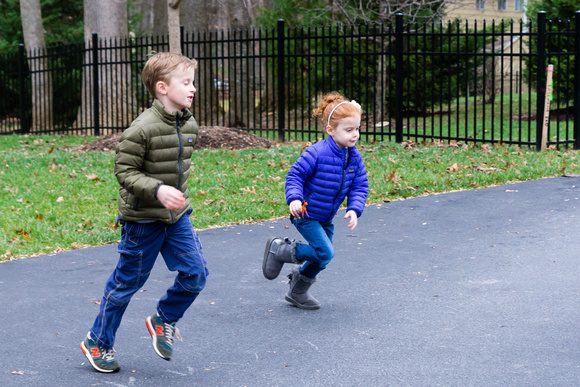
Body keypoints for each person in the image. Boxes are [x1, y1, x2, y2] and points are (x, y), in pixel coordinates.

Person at [80, 52, 208, 373]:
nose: (193, 88)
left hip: (176, 218)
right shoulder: (141, 129)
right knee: (126, 285)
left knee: (196, 274)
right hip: (143, 221)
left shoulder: (188, 121)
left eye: (193, 82)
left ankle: (163, 319)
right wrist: (157, 190)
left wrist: (174, 196)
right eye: (186, 82)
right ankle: (98, 341)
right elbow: (125, 172)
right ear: (162, 87)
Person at [262, 92, 369, 309]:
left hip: (325, 217)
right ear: (331, 130)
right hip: (306, 213)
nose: (355, 134)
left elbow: (360, 185)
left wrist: (354, 208)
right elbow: (295, 176)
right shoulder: (317, 153)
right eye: (348, 130)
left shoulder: (354, 157)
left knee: (323, 257)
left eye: (357, 129)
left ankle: (297, 290)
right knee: (326, 251)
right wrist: (294, 198)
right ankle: (281, 250)